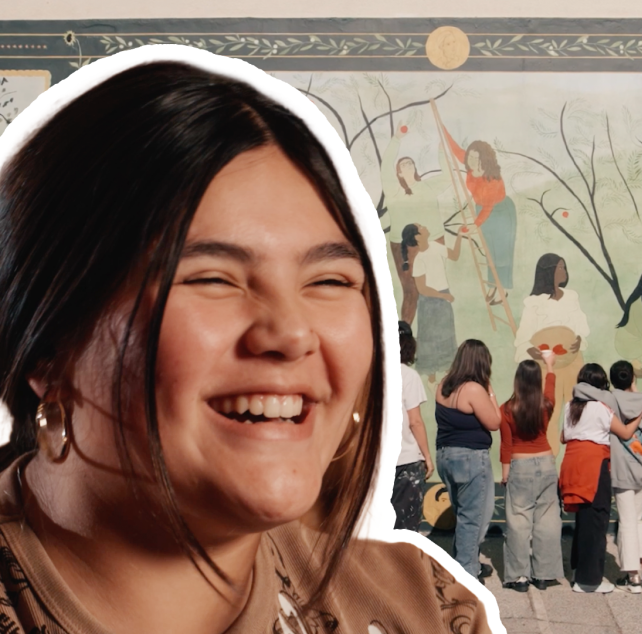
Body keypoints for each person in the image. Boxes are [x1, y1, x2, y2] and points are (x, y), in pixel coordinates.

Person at [0, 50, 493, 633]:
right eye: (212, 278)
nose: (290, 333)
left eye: (330, 280)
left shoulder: (417, 609)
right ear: (49, 343)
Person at [574, 361, 642, 593]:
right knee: (637, 519)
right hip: (641, 466)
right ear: (632, 378)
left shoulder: (610, 400)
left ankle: (633, 576)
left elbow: (584, 392)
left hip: (621, 469)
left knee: (627, 521)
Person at [559, 364, 639, 594]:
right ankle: (589, 581)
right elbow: (624, 433)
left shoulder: (570, 407)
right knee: (596, 522)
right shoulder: (601, 408)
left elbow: (564, 437)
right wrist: (639, 414)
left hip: (573, 464)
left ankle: (578, 571)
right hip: (595, 465)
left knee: (583, 521)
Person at [435, 340, 501, 580]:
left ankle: (464, 564)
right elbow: (495, 422)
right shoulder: (474, 389)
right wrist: (490, 391)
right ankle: (467, 576)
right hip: (470, 458)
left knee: (464, 516)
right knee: (474, 521)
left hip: (446, 456)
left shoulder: (444, 385)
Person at [498, 352, 563, 592]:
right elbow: (551, 386)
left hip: (520, 464)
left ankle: (519, 577)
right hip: (546, 463)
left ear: (517, 380)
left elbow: (506, 445)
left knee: (518, 522)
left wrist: (505, 473)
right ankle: (544, 574)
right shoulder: (546, 404)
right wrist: (549, 364)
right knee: (547, 520)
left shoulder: (506, 409)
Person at [514, 254, 589, 453]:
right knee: (551, 411)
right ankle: (550, 455)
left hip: (572, 361)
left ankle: (575, 454)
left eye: (564, 267)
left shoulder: (571, 296)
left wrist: (579, 338)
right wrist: (535, 352)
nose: (563, 271)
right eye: (559, 268)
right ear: (548, 272)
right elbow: (524, 336)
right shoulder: (534, 303)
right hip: (547, 365)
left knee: (576, 407)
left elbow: (581, 325)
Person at [382, 124, 453, 323]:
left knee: (435, 286)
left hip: (434, 239)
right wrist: (397, 139)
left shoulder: (427, 187)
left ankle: (434, 337)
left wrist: (441, 150)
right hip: (404, 245)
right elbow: (386, 165)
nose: (408, 166)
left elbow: (448, 177)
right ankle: (404, 338)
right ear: (398, 172)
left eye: (410, 163)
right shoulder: (394, 190)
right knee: (411, 291)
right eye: (403, 164)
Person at [440, 123, 517, 302]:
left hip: (501, 212)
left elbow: (489, 206)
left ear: (485, 159)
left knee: (502, 251)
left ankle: (503, 289)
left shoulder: (492, 178)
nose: (472, 160)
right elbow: (457, 150)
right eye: (471, 157)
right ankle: (493, 285)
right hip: (482, 210)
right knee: (489, 250)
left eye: (476, 158)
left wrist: (474, 225)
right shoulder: (469, 166)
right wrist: (443, 130)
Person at [403, 223, 465, 387]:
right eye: (421, 227)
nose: (425, 227)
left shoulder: (436, 247)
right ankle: (431, 379)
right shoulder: (419, 260)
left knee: (446, 335)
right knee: (430, 339)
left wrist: (459, 235)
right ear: (417, 236)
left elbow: (454, 255)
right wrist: (443, 295)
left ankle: (447, 373)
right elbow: (422, 289)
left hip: (443, 298)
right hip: (430, 303)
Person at [392, 321, 434, 532]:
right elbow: (415, 421)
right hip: (405, 460)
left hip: (373, 462)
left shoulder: (365, 373)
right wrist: (427, 456)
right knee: (405, 529)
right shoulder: (408, 375)